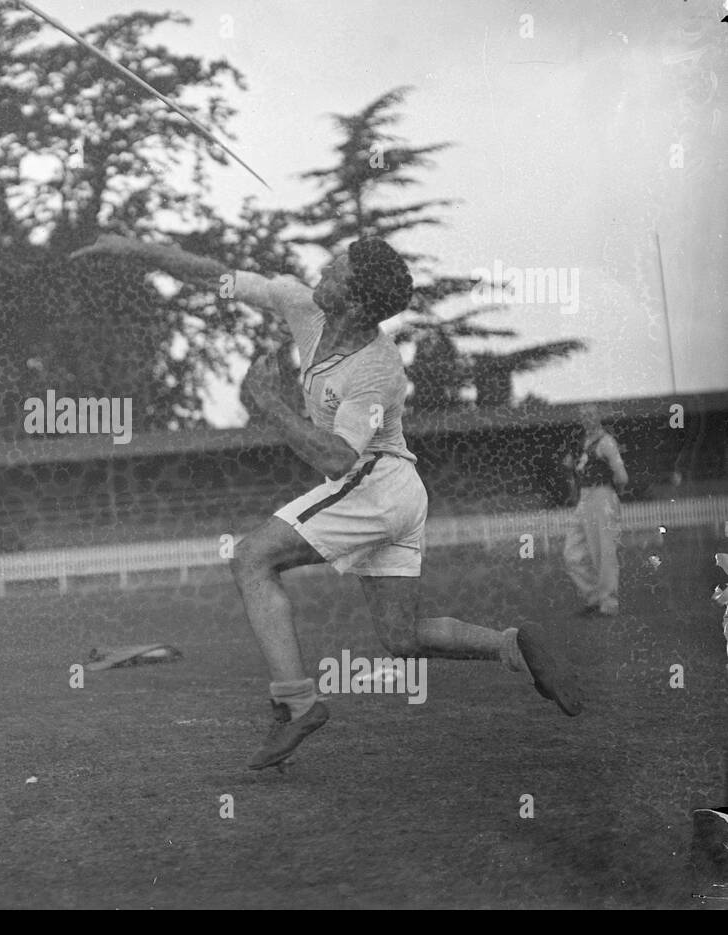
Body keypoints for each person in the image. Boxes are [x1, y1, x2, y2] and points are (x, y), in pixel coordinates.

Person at [71, 234, 582, 770]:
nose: (324, 271)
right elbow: (211, 272)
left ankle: (297, 703)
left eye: (336, 272)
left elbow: (338, 459)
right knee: (402, 639)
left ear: (356, 303)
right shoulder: (302, 305)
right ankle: (511, 645)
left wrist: (270, 403)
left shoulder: (378, 370)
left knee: (251, 558)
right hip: (397, 491)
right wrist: (133, 249)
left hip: (374, 484)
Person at [562, 403, 628, 617]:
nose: (587, 418)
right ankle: (593, 596)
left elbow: (621, 476)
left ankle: (608, 603)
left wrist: (610, 494)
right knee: (572, 553)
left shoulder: (606, 442)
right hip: (585, 497)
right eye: (583, 415)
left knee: (604, 552)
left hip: (602, 495)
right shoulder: (583, 443)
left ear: (598, 416)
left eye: (590, 414)